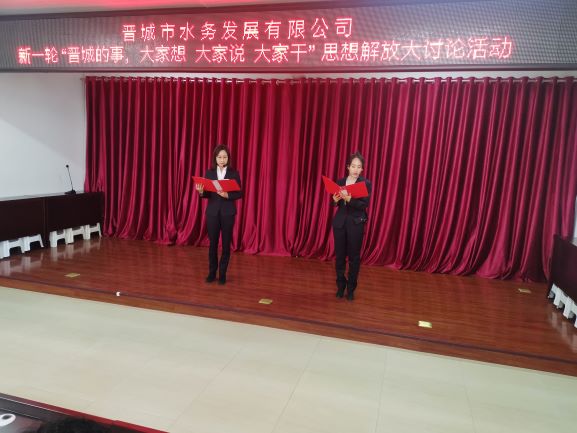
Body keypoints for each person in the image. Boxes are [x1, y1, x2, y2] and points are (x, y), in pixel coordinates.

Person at [195, 144, 242, 285]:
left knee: (226, 245)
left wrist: (227, 195)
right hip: (212, 213)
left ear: (228, 158)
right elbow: (206, 194)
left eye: (225, 157)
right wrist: (201, 192)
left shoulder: (234, 173)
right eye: (219, 157)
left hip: (228, 213)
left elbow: (239, 193)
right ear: (215, 158)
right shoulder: (209, 173)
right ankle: (211, 273)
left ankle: (222, 274)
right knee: (213, 245)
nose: (222, 160)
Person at [332, 152, 371, 300]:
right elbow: (336, 203)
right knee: (340, 257)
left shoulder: (365, 183)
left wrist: (350, 199)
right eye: (353, 166)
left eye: (359, 167)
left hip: (356, 224)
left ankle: (351, 289)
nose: (356, 169)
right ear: (348, 167)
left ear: (362, 169)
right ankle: (340, 286)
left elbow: (364, 205)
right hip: (340, 223)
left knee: (354, 258)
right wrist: (335, 200)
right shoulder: (341, 181)